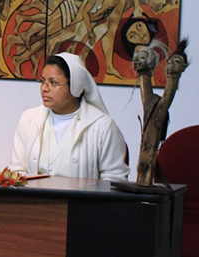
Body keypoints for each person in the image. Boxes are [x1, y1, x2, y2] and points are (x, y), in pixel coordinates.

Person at [9, 53, 128, 181]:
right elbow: (17, 171)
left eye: (53, 83)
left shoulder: (102, 125)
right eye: (43, 81)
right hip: (37, 200)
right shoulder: (29, 119)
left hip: (81, 200)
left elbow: (114, 180)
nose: (44, 88)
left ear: (75, 86)